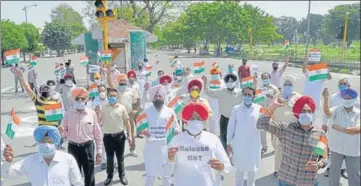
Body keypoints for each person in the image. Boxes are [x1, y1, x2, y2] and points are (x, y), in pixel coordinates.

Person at [257, 96, 327, 186]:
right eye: (302, 111)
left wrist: (318, 165)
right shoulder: (286, 129)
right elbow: (261, 124)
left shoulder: (320, 134)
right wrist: (272, 107)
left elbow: (324, 157)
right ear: (297, 113)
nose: (306, 114)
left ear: (313, 113)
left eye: (309, 111)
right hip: (286, 180)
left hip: (307, 182)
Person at [167, 102, 232, 186]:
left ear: (203, 121)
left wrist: (222, 166)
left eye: (198, 118)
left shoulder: (212, 139)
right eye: (192, 118)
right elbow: (166, 170)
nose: (195, 121)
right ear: (186, 120)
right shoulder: (177, 140)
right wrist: (170, 159)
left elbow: (227, 165)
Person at [2, 126, 83, 186]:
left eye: (50, 141)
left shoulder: (68, 159)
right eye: (43, 141)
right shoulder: (30, 161)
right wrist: (8, 162)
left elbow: (78, 183)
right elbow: (5, 174)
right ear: (38, 143)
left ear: (56, 143)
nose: (46, 145)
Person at [59, 87, 103, 186]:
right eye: (77, 99)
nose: (79, 101)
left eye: (82, 99)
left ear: (86, 100)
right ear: (73, 100)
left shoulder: (91, 113)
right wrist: (62, 131)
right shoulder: (68, 114)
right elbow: (64, 133)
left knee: (89, 174)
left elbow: (98, 134)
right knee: (74, 174)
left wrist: (99, 151)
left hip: (88, 147)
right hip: (73, 147)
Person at [143, 85, 180, 186]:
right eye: (155, 96)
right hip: (151, 148)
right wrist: (144, 131)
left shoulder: (170, 111)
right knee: (150, 175)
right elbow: (141, 126)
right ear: (152, 98)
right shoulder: (147, 111)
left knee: (166, 176)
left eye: (160, 96)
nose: (158, 98)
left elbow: (176, 127)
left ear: (164, 97)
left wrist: (175, 131)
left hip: (166, 148)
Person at [322, 78, 360, 178]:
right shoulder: (333, 97)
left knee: (346, 149)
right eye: (340, 84)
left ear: (349, 85)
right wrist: (324, 123)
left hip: (349, 129)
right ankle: (330, 168)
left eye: (344, 84)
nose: (341, 86)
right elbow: (327, 111)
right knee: (333, 148)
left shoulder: (355, 98)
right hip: (334, 128)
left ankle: (343, 169)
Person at [227, 86, 263, 186]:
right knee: (239, 172)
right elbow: (231, 126)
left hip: (253, 145)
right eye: (245, 94)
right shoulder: (236, 109)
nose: (247, 96)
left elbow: (264, 125)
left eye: (249, 95)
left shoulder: (259, 109)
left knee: (252, 173)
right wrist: (228, 143)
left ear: (253, 96)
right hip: (239, 145)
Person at [201, 73, 245, 149]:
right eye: (228, 81)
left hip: (236, 119)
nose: (230, 83)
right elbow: (209, 92)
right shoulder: (221, 91)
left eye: (232, 81)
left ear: (235, 82)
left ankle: (235, 154)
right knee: (223, 137)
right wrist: (205, 83)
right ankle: (225, 153)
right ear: (225, 82)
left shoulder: (240, 92)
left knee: (235, 137)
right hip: (224, 119)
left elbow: (251, 94)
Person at [100, 87, 132, 185]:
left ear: (117, 96)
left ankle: (122, 175)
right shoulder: (103, 108)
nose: (112, 97)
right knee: (109, 158)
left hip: (119, 136)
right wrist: (97, 113)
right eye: (110, 96)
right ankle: (109, 176)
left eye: (114, 96)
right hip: (108, 137)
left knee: (120, 157)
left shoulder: (121, 107)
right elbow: (98, 121)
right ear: (107, 96)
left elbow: (127, 122)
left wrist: (130, 135)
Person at [271, 75, 301, 178]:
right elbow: (272, 109)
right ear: (283, 85)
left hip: (293, 128)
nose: (287, 86)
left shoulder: (298, 96)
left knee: (292, 151)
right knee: (279, 150)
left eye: (290, 84)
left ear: (293, 86)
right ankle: (277, 170)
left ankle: (291, 170)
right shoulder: (277, 95)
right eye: (286, 84)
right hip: (279, 127)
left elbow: (301, 112)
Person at [302, 58, 332, 128]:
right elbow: (304, 70)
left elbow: (329, 77)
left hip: (315, 100)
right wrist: (304, 63)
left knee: (312, 114)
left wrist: (326, 70)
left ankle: (310, 127)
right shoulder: (310, 74)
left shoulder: (320, 77)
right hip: (306, 98)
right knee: (304, 112)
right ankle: (304, 126)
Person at [258, 72, 280, 154]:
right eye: (264, 78)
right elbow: (257, 99)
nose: (265, 79)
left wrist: (271, 97)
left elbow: (279, 99)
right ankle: (264, 146)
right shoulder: (259, 88)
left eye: (267, 78)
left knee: (273, 129)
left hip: (272, 111)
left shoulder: (274, 88)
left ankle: (274, 145)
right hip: (263, 110)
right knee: (262, 130)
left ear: (269, 78)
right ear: (262, 79)